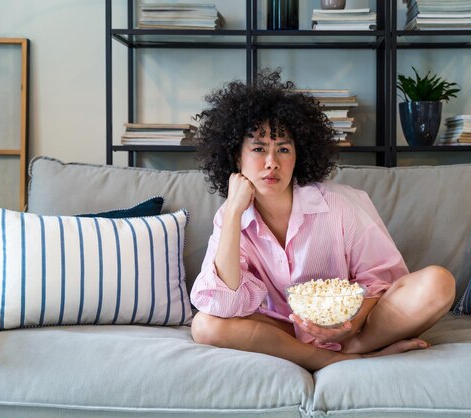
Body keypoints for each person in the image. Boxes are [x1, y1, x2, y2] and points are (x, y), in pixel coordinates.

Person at [190, 69, 455, 372]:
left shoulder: (340, 204)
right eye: (259, 148)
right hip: (284, 330)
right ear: (237, 158)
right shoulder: (231, 216)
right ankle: (334, 359)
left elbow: (383, 282)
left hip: (357, 327)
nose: (271, 162)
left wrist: (351, 324)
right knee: (205, 325)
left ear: (298, 156)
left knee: (439, 283)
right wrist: (235, 210)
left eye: (284, 149)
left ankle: (350, 348)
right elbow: (221, 304)